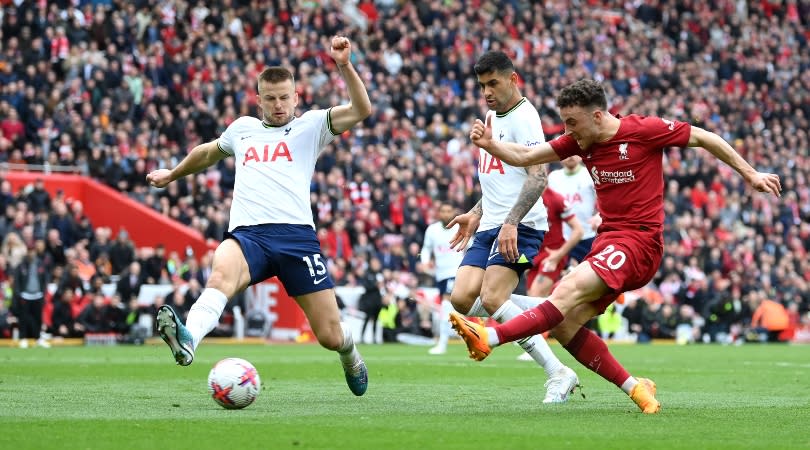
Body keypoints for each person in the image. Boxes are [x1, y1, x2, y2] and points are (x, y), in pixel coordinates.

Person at [452, 78, 781, 413]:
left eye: (572, 122)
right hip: (608, 242)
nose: (568, 130)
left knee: (567, 289)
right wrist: (492, 145)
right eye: (565, 122)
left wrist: (749, 173)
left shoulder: (643, 130)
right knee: (564, 323)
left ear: (597, 116)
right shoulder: (582, 141)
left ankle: (490, 338)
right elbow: (528, 155)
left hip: (640, 242)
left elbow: (703, 136)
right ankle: (636, 388)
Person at [146, 36, 372, 396]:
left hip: (297, 238)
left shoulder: (312, 126)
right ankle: (189, 340)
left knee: (330, 336)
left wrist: (343, 65)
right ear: (259, 99)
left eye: (285, 97)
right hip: (249, 235)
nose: (279, 105)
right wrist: (172, 173)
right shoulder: (242, 129)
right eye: (271, 98)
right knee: (220, 274)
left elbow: (361, 109)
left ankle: (350, 354)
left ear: (296, 96)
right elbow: (207, 153)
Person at [445, 50, 579, 404]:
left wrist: (511, 222)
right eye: (482, 85)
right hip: (491, 222)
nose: (487, 91)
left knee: (491, 298)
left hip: (522, 226)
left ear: (512, 79)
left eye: (493, 83)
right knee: (462, 299)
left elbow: (538, 176)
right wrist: (475, 212)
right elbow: (496, 177)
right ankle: (544, 307)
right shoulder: (492, 115)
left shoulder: (525, 117)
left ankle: (558, 373)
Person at [419, 202, 465, 355]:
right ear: (439, 213)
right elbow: (426, 248)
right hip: (440, 274)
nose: (446, 214)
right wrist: (425, 261)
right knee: (456, 308)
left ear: (453, 211)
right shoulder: (432, 230)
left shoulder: (460, 227)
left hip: (456, 272)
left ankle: (442, 344)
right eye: (443, 211)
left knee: (445, 305)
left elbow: (470, 245)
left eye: (449, 210)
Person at [525, 187, 584, 298]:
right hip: (534, 257)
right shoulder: (521, 198)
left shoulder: (555, 198)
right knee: (531, 301)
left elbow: (579, 231)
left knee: (535, 295)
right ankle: (561, 285)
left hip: (551, 256)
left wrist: (559, 255)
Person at [547, 156, 599, 265]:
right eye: (566, 153)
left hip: (588, 236)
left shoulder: (591, 174)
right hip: (563, 239)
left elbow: (605, 199)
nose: (570, 156)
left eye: (574, 152)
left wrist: (599, 215)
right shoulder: (553, 177)